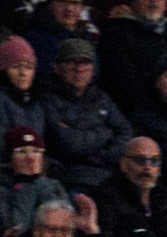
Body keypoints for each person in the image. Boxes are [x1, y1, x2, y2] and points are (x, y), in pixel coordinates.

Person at [39, 38, 132, 194]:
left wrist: (101, 157)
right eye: (72, 62)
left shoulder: (101, 98)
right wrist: (105, 133)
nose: (80, 69)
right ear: (57, 67)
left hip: (107, 175)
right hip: (68, 178)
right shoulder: (46, 99)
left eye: (85, 63)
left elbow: (125, 132)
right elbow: (68, 143)